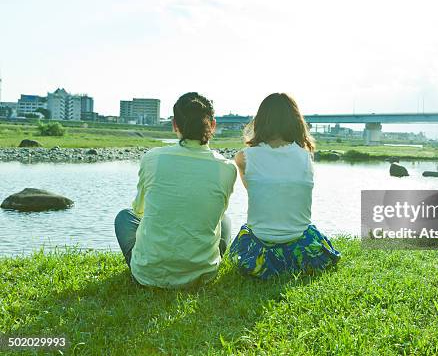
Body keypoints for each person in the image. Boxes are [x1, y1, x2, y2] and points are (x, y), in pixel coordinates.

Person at [114, 92, 237, 288]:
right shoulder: (227, 168)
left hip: (149, 275)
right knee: (226, 220)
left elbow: (139, 210)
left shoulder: (153, 158)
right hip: (203, 274)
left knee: (124, 217)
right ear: (212, 125)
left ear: (174, 124)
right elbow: (216, 215)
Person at [229, 93, 340, 279]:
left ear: (261, 121)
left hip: (260, 254)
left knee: (246, 230)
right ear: (296, 121)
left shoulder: (243, 157)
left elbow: (258, 193)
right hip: (303, 250)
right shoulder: (306, 157)